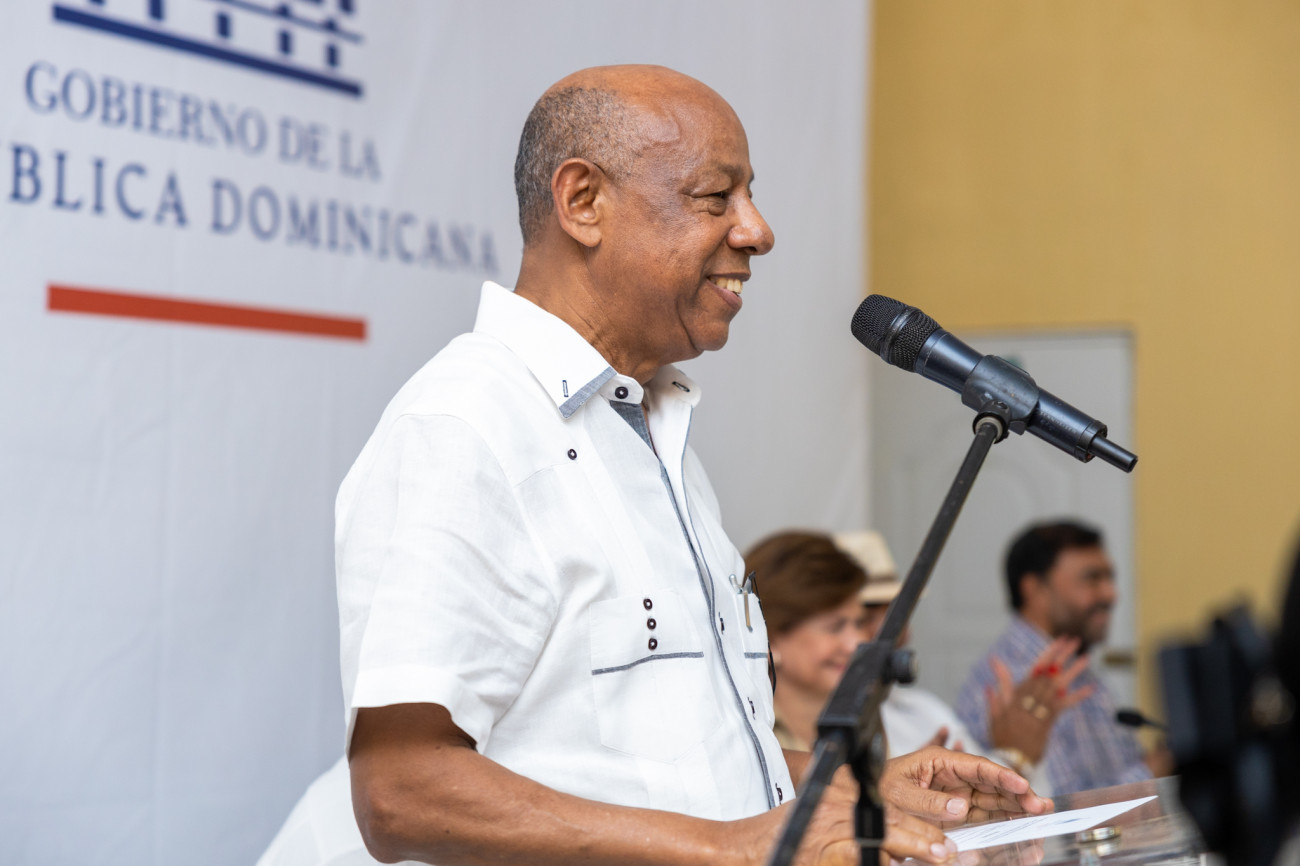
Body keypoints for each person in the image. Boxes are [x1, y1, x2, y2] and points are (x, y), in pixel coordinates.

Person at [265, 64, 1051, 866]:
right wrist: (728, 849)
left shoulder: (650, 425)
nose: (758, 231)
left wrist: (856, 794)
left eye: (750, 197)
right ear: (583, 202)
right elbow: (401, 791)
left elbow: (676, 766)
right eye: (716, 197)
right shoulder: (465, 425)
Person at [748, 530, 1065, 797]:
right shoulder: (742, 738)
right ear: (770, 639)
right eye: (835, 627)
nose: (857, 642)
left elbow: (1006, 811)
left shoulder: (923, 715)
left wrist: (1000, 770)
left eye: (859, 622)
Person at [955, 520, 1166, 794]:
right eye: (1092, 579)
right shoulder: (1012, 682)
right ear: (1034, 589)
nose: (1110, 594)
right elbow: (1061, 808)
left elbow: (1122, 761)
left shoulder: (1074, 665)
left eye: (1109, 579)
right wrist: (1155, 769)